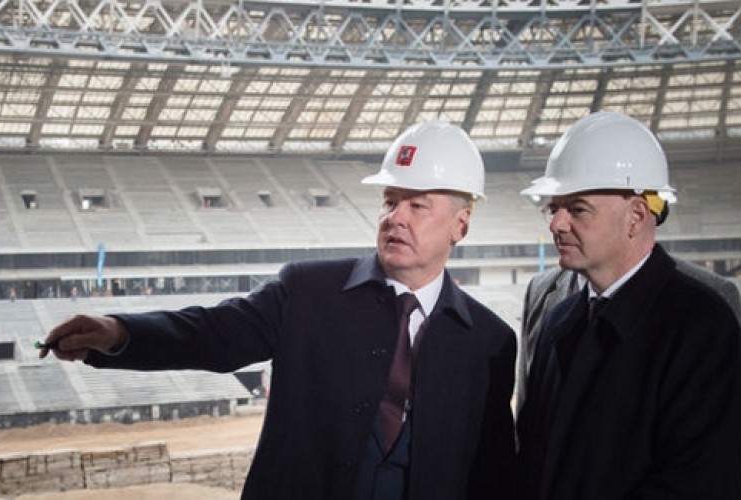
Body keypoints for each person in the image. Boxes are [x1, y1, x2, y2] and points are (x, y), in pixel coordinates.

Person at [39, 121, 518, 500]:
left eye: (417, 206)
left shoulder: (490, 341)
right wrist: (118, 332)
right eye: (389, 201)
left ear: (460, 225)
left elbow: (492, 470)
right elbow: (214, 334)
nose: (395, 218)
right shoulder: (307, 291)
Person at [513, 111, 741, 500]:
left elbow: (701, 483)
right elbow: (531, 459)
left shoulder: (702, 324)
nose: (556, 223)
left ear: (637, 216)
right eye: (553, 207)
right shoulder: (558, 320)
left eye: (577, 208)